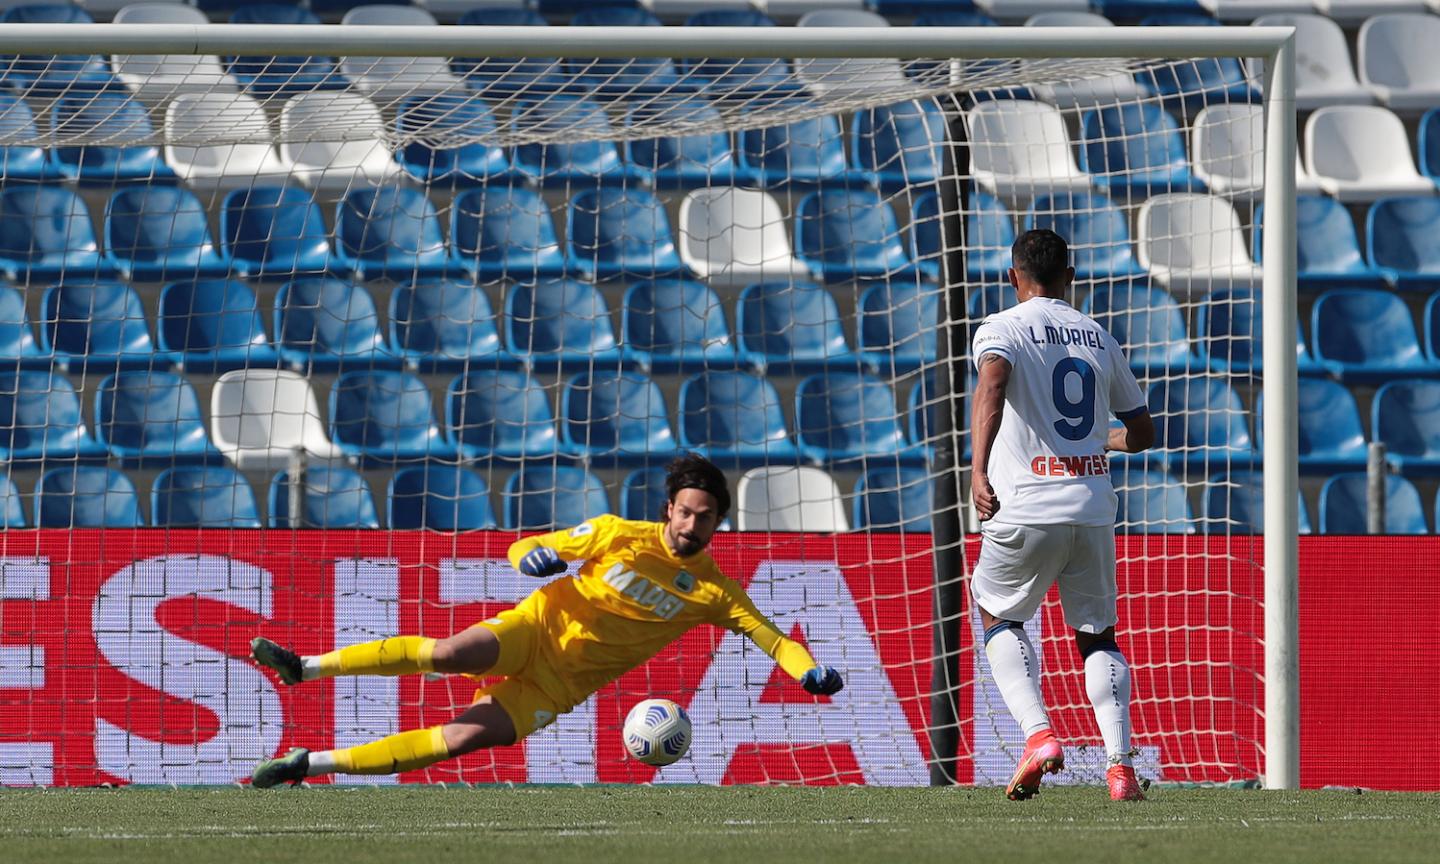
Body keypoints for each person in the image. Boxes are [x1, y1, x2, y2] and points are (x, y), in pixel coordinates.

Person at [248, 453, 844, 786]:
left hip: (560, 686)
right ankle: (305, 667)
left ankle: (311, 763)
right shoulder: (616, 535)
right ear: (669, 509)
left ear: (718, 524)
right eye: (684, 512)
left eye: (704, 517)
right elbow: (533, 545)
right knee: (449, 653)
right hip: (535, 629)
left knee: (459, 739)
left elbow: (770, 638)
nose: (690, 525)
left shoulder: (715, 592)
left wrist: (808, 672)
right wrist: (533, 556)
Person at [969, 229, 1156, 803]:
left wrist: (978, 472)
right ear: (1070, 276)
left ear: (1012, 277)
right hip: (1093, 507)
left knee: (998, 615)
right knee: (1098, 635)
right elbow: (1145, 432)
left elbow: (994, 384)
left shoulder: (1001, 327)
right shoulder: (1097, 336)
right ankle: (1120, 767)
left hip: (1023, 503)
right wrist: (1104, 443)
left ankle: (1040, 735)